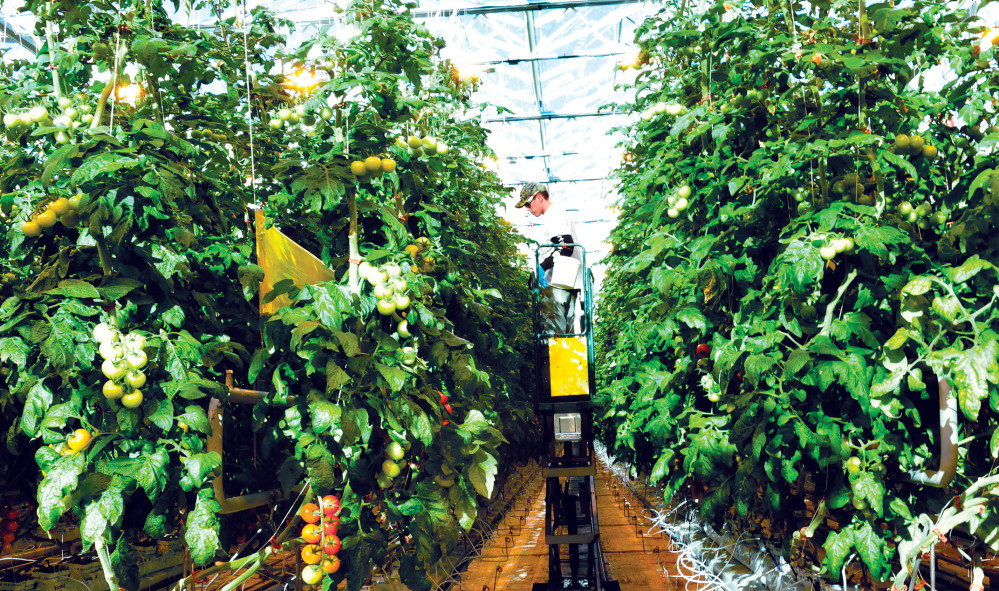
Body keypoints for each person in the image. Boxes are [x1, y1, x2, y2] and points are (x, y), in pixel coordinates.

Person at [515, 182, 582, 335]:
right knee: (567, 333)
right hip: (569, 282)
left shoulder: (553, 215)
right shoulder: (561, 213)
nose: (527, 209)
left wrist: (542, 267)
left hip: (556, 284)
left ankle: (555, 360)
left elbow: (565, 246)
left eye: (528, 204)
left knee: (554, 333)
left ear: (538, 197)